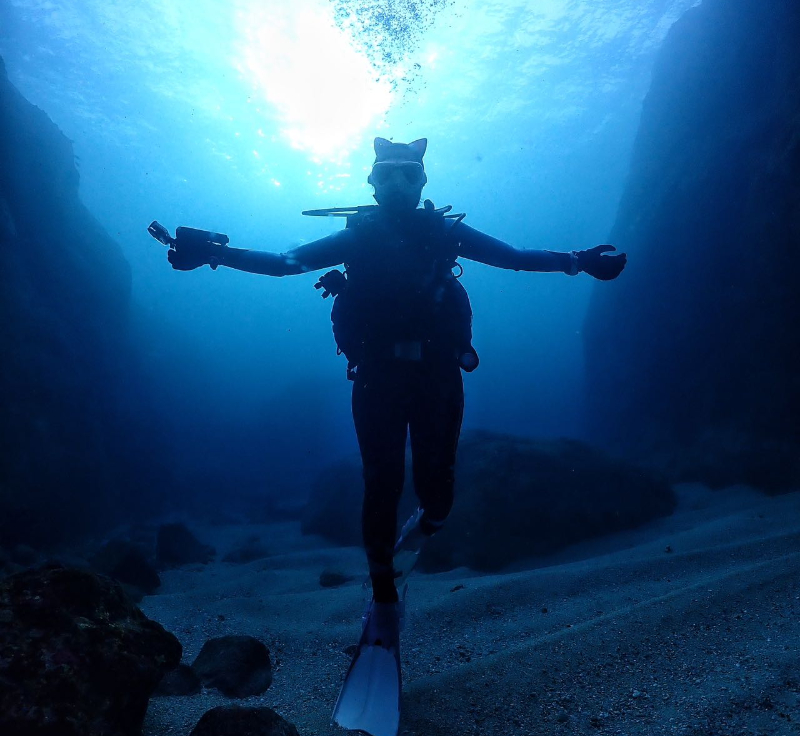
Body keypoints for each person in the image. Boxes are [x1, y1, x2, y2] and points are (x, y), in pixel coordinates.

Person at [166, 137, 627, 606]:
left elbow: (513, 258)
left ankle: (421, 533)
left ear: (424, 180)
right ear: (371, 182)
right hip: (377, 376)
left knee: (438, 497)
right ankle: (383, 590)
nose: (398, 183)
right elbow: (285, 265)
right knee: (380, 483)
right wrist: (212, 253)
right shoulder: (358, 236)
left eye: (409, 173)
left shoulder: (446, 232)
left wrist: (578, 261)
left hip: (438, 374)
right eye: (386, 174)